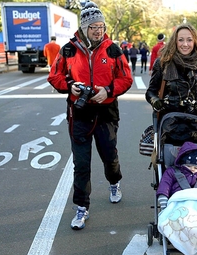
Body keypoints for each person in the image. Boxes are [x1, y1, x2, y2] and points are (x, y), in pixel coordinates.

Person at [47, 1, 133, 230]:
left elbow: (126, 78)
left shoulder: (113, 49)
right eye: (93, 26)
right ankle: (81, 208)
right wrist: (69, 86)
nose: (98, 30)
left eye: (101, 26)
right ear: (84, 27)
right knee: (81, 163)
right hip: (79, 113)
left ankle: (114, 183)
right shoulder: (68, 49)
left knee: (109, 157)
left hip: (106, 113)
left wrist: (108, 91)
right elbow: (54, 76)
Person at [145, 23, 197, 122]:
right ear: (175, 42)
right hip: (167, 122)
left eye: (189, 40)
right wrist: (155, 101)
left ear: (195, 42)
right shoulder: (163, 63)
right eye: (181, 40)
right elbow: (150, 92)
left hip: (191, 123)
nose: (185, 44)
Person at [156, 141, 197, 210]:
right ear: (182, 163)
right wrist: (164, 201)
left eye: (196, 168)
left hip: (196, 203)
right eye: (189, 166)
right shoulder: (172, 172)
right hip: (176, 201)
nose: (192, 169)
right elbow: (165, 185)